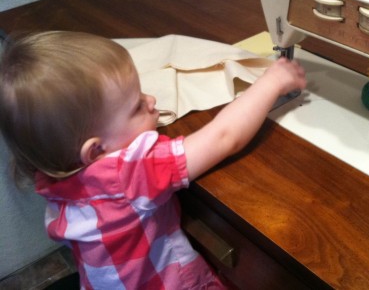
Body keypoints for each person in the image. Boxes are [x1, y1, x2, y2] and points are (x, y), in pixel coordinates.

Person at [0, 31, 306, 289]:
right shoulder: (125, 175)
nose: (151, 100)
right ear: (95, 152)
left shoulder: (52, 172)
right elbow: (224, 137)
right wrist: (272, 82)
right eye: (136, 107)